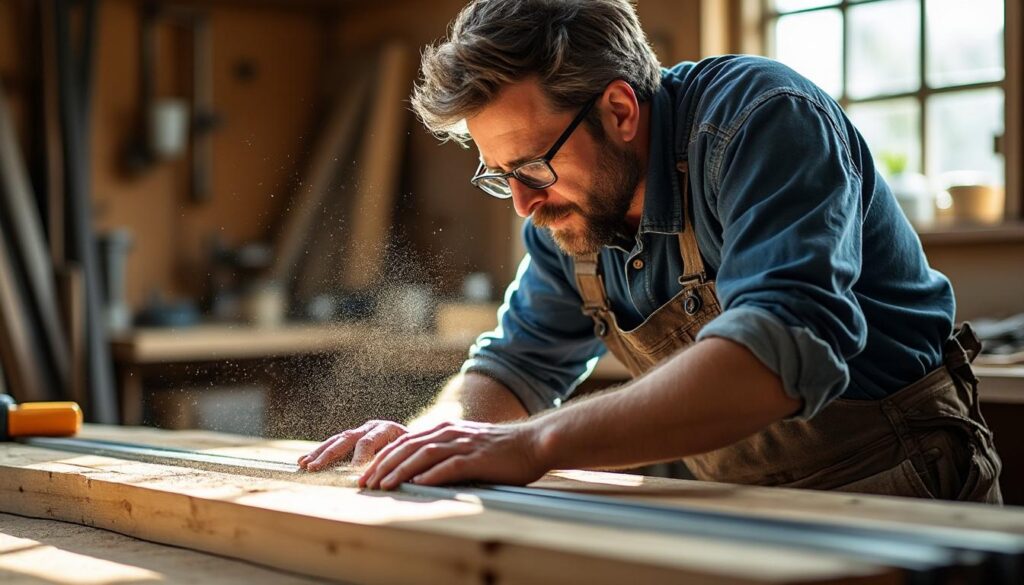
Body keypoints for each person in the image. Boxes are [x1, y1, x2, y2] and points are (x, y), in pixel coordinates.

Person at [298, 0, 1002, 503]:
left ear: (620, 111)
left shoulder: (761, 122)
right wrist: (436, 436)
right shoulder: (570, 208)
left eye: (532, 167)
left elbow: (776, 355)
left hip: (901, 484)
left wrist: (533, 445)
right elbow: (516, 363)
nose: (522, 202)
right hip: (743, 508)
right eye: (500, 175)